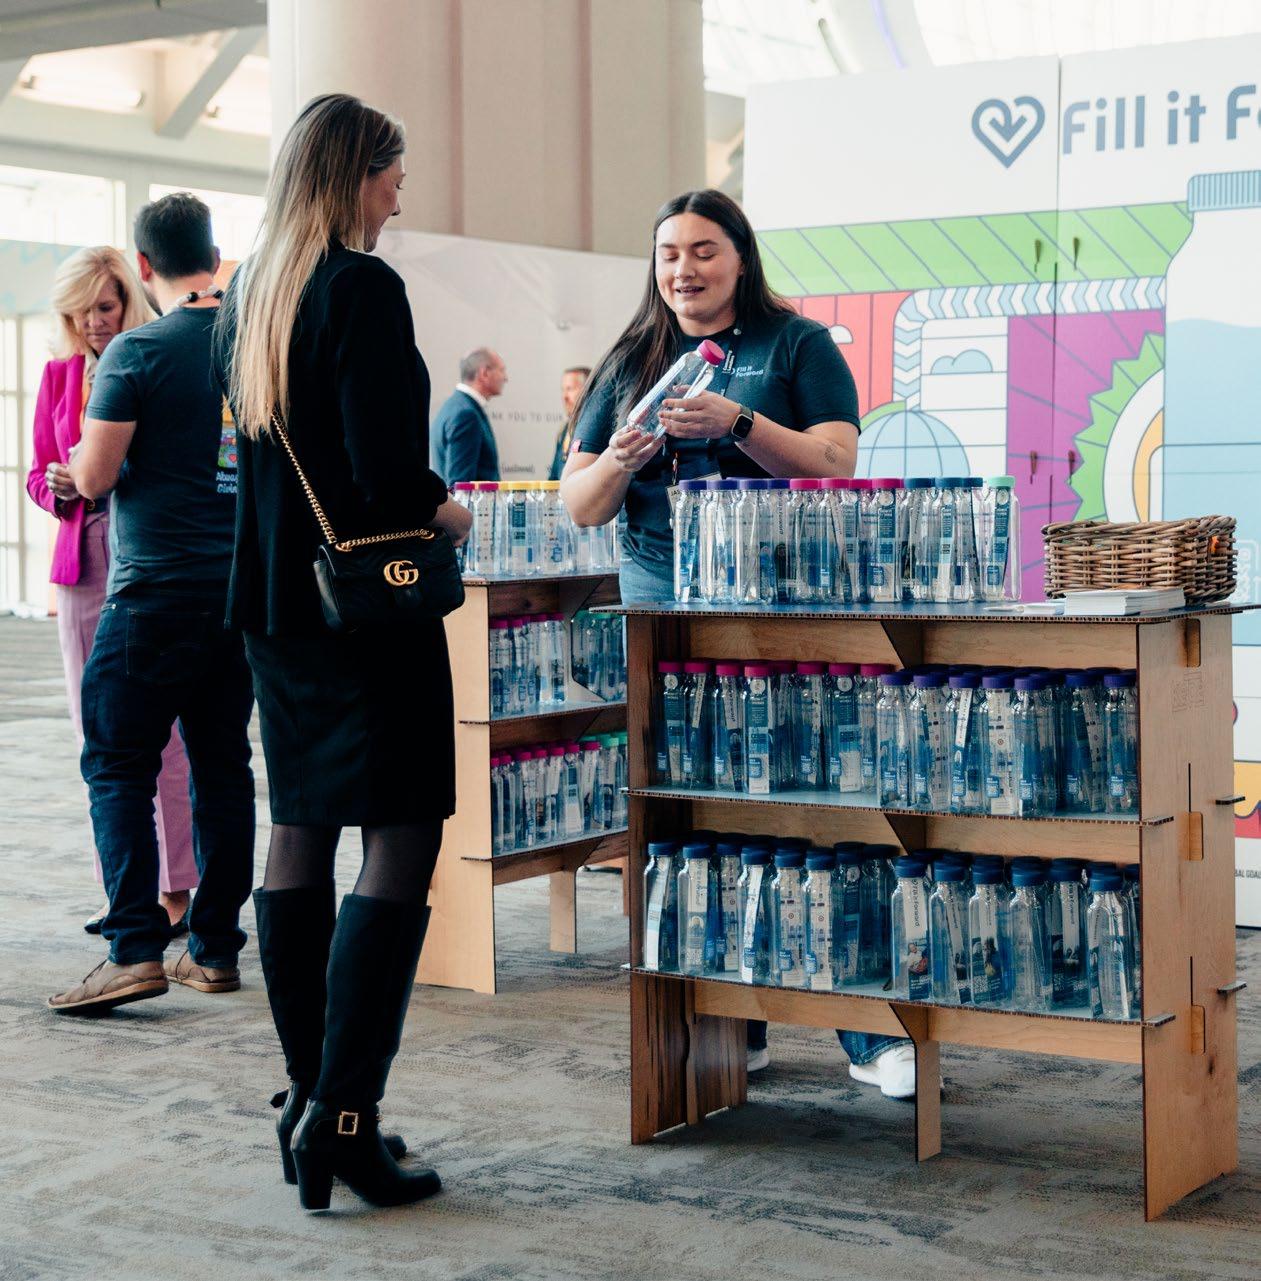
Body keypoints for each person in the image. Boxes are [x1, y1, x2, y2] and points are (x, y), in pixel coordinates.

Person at [560, 187, 918, 1100]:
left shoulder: (794, 344)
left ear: (740, 257)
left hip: (784, 592)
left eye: (703, 250)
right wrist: (621, 460)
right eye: (668, 253)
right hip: (661, 593)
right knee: (691, 812)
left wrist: (737, 422)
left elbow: (836, 461)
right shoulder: (631, 357)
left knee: (811, 801)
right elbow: (579, 502)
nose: (683, 269)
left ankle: (866, 1031)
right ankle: (731, 1026)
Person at [218, 93, 472, 1211]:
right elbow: (385, 471)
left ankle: (308, 1098)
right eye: (391, 178)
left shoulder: (251, 295)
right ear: (352, 176)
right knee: (402, 832)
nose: (396, 199)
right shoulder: (359, 287)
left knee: (300, 826)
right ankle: (346, 1116)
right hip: (367, 608)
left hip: (276, 603)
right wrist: (445, 508)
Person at [47, 194, 256, 1016]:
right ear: (213, 250)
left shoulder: (137, 350)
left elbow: (95, 476)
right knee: (223, 766)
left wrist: (80, 464)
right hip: (235, 594)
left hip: (152, 595)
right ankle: (213, 949)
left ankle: (133, 947)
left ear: (142, 266)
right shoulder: (252, 344)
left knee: (116, 761)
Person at [27, 246, 199, 938]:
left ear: (129, 296)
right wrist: (59, 487)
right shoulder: (59, 375)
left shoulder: (155, 358)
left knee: (167, 736)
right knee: (94, 732)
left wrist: (103, 472)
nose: (94, 321)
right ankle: (125, 893)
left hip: (148, 555)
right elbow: (38, 470)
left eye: (105, 305)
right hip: (81, 558)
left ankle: (177, 886)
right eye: (81, 312)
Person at [429, 347, 507, 483]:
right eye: (501, 370)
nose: (506, 378)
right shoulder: (466, 414)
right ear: (484, 373)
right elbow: (460, 486)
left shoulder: (456, 406)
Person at [547, 365, 591, 481]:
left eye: (570, 389)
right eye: (563, 390)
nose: (564, 396)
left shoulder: (594, 430)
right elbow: (553, 478)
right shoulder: (564, 430)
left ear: (587, 391)